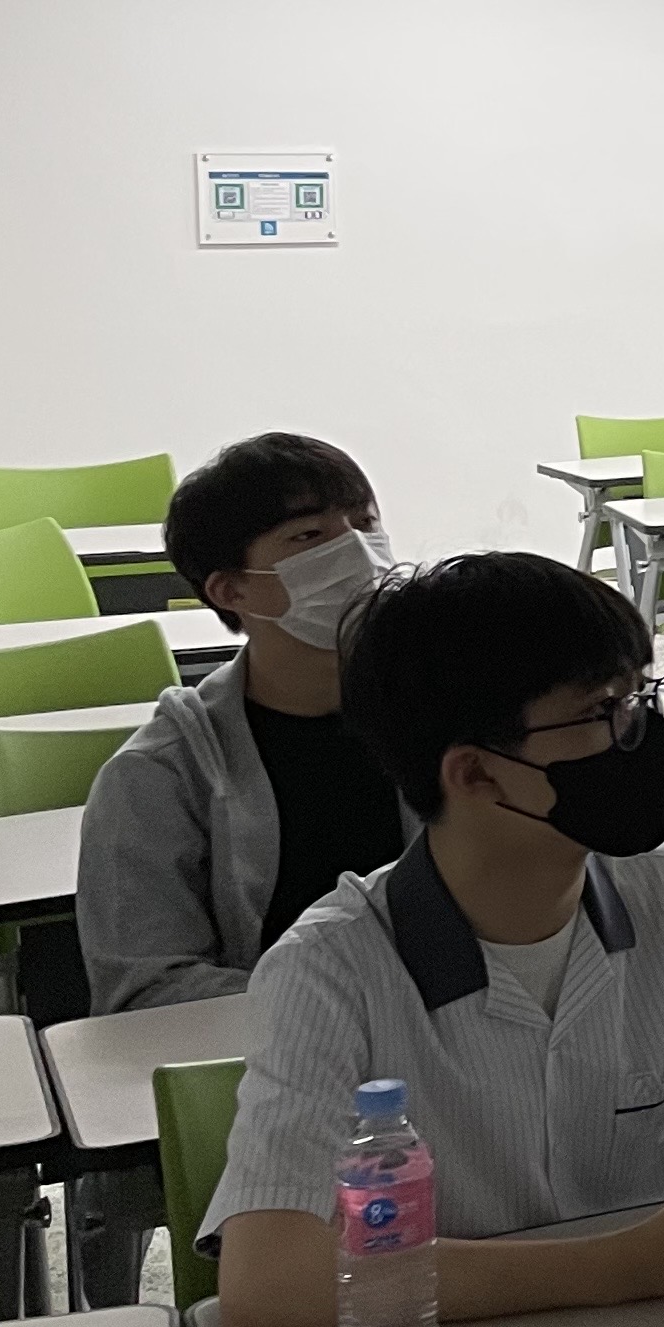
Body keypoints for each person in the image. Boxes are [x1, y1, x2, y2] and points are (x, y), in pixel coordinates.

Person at [201, 554, 664, 1327]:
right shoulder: (330, 969)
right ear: (477, 775)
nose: (639, 735)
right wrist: (632, 1265)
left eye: (638, 697)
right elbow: (266, 1281)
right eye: (601, 711)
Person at [81, 433, 407, 1013]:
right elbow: (148, 991)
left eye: (365, 524)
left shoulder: (451, 720)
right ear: (232, 590)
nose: (359, 554)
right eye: (310, 536)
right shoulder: (156, 776)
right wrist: (355, 1002)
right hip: (273, 1046)